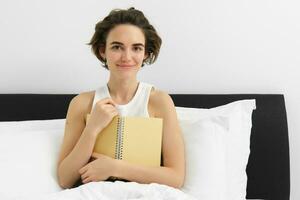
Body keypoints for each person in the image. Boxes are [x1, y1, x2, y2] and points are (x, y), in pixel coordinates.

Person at [56, 7, 185, 189]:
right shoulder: (82, 104)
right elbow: (65, 179)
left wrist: (114, 167)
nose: (127, 57)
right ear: (103, 51)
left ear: (146, 53)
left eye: (136, 48)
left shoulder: (160, 102)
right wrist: (92, 129)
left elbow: (176, 177)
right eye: (117, 47)